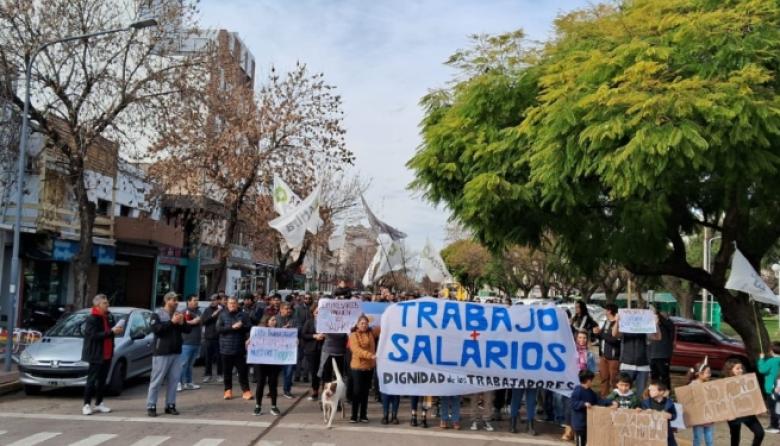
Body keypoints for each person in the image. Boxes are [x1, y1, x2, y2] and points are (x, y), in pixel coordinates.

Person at [146, 291, 191, 417]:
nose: (176, 302)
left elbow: (188, 330)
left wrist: (182, 323)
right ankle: (151, 405)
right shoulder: (157, 314)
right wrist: (171, 322)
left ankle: (170, 405)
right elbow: (157, 330)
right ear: (167, 300)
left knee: (174, 380)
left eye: (177, 300)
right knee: (156, 380)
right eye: (174, 300)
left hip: (176, 352)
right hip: (162, 352)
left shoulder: (179, 313)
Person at [81, 294, 123, 415]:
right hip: (96, 354)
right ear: (97, 305)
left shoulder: (108, 316)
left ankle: (99, 403)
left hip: (107, 353)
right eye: (105, 303)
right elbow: (93, 335)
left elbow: (110, 332)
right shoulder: (92, 318)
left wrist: (117, 330)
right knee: (91, 380)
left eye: (107, 302)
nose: (107, 305)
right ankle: (86, 405)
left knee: (102, 380)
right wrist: (111, 332)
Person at [612, 307, 660, 396]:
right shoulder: (625, 328)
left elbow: (657, 337)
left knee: (640, 393)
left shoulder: (646, 329)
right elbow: (614, 334)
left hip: (643, 365)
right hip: (627, 364)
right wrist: (617, 321)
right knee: (623, 390)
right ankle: (624, 404)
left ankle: (637, 404)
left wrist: (655, 324)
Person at [217, 296, 252, 401]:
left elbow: (249, 327)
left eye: (234, 303)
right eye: (230, 303)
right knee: (227, 372)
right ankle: (228, 390)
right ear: (227, 304)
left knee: (243, 371)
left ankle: (246, 391)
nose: (232, 305)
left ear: (237, 304)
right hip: (225, 348)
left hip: (239, 348)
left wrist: (241, 326)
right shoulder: (222, 314)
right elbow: (218, 329)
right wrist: (232, 327)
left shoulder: (244, 315)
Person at [724, 359, 764, 446]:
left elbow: (753, 395)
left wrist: (758, 407)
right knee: (735, 437)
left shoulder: (747, 380)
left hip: (747, 412)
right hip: (734, 414)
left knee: (760, 433)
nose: (741, 370)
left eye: (741, 368)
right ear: (730, 370)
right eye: (737, 368)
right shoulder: (724, 384)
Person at [250, 315, 283, 416]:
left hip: (273, 362)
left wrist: (293, 342)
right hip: (261, 362)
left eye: (275, 320)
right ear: (266, 321)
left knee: (273, 384)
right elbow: (251, 342)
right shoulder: (258, 332)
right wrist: (248, 342)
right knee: (260, 383)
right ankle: (258, 406)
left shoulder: (279, 332)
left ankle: (274, 406)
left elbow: (286, 343)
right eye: (272, 320)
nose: (274, 322)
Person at [348, 315, 377, 423]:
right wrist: (369, 355)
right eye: (362, 323)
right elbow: (356, 350)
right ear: (357, 324)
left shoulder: (371, 334)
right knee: (357, 392)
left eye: (366, 323)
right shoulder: (353, 335)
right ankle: (354, 415)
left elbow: (383, 329)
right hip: (357, 368)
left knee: (365, 392)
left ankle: (363, 415)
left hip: (369, 367)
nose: (364, 325)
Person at [640, 381, 677, 446]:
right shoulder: (646, 403)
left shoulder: (669, 403)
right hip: (650, 430)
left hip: (666, 430)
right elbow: (641, 417)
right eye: (650, 390)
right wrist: (645, 413)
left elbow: (674, 415)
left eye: (653, 390)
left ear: (661, 392)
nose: (650, 392)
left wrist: (670, 416)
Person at [178, 294, 202, 391]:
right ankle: (178, 383)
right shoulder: (184, 312)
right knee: (183, 364)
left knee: (190, 365)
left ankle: (188, 382)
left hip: (196, 342)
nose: (196, 302)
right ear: (188, 301)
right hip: (186, 342)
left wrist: (194, 320)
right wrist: (194, 321)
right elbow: (184, 322)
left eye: (197, 300)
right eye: (194, 300)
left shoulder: (198, 311)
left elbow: (199, 320)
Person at [596, 304, 621, 397]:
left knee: (614, 379)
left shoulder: (618, 323)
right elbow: (602, 336)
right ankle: (604, 397)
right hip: (603, 355)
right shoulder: (606, 322)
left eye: (605, 310)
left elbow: (614, 340)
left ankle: (616, 397)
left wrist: (601, 334)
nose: (604, 312)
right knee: (604, 377)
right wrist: (597, 333)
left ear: (609, 311)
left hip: (613, 357)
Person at [570, 370, 600, 446]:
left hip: (587, 423)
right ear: (588, 380)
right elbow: (573, 403)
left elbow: (598, 400)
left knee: (585, 442)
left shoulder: (591, 392)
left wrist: (610, 402)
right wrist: (583, 404)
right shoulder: (578, 390)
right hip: (579, 424)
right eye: (592, 380)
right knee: (580, 442)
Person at [300, 304, 324, 400]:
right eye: (316, 312)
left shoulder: (327, 322)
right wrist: (314, 336)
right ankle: (315, 391)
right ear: (313, 313)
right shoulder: (309, 322)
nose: (318, 314)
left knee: (324, 371)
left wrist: (325, 335)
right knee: (314, 371)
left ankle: (325, 392)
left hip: (324, 349)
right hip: (312, 350)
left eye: (320, 312)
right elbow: (303, 334)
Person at [687, 362, 714, 446]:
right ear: (699, 374)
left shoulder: (709, 384)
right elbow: (688, 401)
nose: (710, 375)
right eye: (708, 372)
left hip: (708, 417)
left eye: (710, 372)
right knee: (698, 438)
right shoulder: (692, 385)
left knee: (710, 439)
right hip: (698, 418)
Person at [275, 302, 299, 398]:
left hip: (290, 350)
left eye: (289, 309)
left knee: (288, 371)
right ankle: (272, 390)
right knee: (274, 373)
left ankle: (287, 390)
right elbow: (270, 330)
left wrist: (292, 330)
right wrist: (281, 330)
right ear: (281, 309)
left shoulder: (295, 319)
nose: (288, 310)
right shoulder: (275, 318)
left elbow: (300, 329)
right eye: (286, 308)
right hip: (276, 350)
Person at [648, 308, 674, 390]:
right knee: (654, 376)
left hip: (663, 355)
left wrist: (657, 313)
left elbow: (666, 323)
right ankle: (654, 391)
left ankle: (667, 392)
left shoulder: (668, 325)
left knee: (664, 375)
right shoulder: (652, 326)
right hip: (653, 355)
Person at [201, 294, 224, 383]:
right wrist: (212, 316)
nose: (212, 302)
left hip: (219, 337)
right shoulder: (207, 310)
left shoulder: (222, 310)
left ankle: (219, 374)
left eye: (214, 300)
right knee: (208, 357)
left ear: (218, 301)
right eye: (211, 300)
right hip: (209, 337)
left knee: (219, 357)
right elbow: (204, 321)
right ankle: (208, 375)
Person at [758, 351, 780, 434]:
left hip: (772, 388)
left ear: (771, 351)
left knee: (773, 408)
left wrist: (761, 359)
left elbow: (762, 370)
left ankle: (774, 426)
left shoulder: (771, 361)